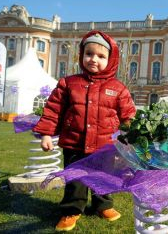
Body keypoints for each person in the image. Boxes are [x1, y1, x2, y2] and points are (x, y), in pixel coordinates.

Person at [33, 30, 136, 232]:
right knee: (75, 179)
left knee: (103, 177)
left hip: (105, 145)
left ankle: (103, 205)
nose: (93, 59)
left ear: (111, 59)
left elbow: (128, 115)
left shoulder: (118, 88)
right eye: (89, 54)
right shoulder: (68, 83)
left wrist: (132, 137)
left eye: (100, 56)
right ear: (82, 55)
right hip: (74, 142)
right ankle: (71, 210)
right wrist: (46, 134)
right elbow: (54, 110)